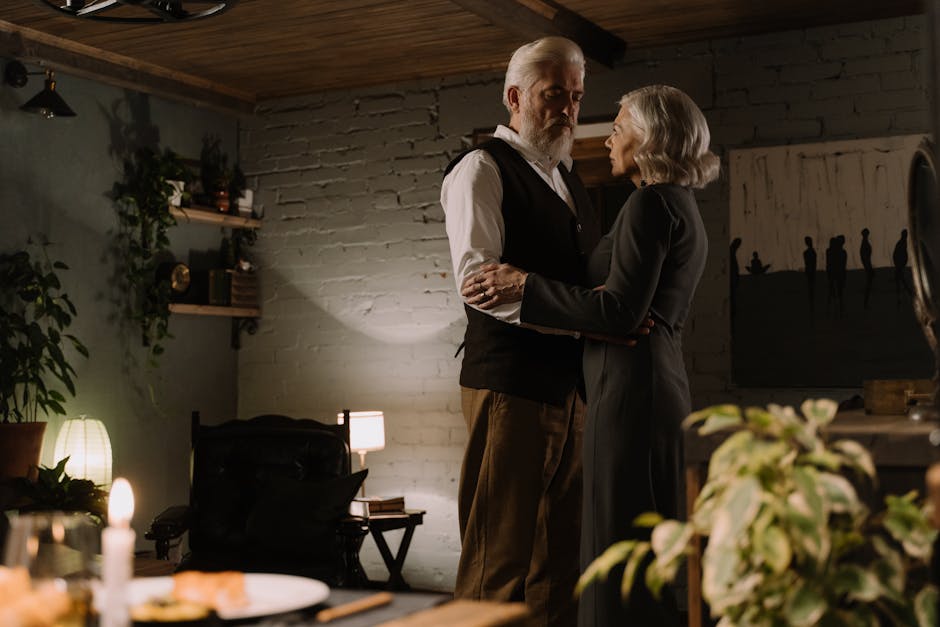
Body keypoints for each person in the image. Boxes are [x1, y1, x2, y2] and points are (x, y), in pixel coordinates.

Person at [462, 84, 720, 626]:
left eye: (619, 128)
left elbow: (621, 314)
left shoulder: (650, 203)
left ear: (648, 137)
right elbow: (622, 308)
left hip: (630, 389)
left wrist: (523, 284)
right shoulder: (681, 205)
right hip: (650, 383)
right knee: (643, 544)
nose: (606, 138)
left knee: (616, 542)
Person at [440, 37, 601, 626]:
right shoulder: (481, 168)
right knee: (496, 564)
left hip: (570, 389)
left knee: (559, 565)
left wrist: (559, 303)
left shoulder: (569, 180)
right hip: (509, 386)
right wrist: (579, 312)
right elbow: (479, 285)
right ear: (514, 96)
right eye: (553, 94)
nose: (568, 109)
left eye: (576, 97)